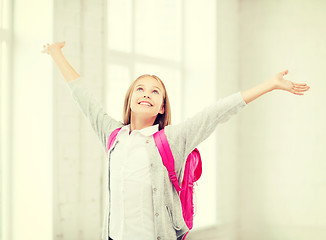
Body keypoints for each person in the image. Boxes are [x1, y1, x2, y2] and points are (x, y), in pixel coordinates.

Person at [42, 41, 310, 240]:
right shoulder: (113, 136)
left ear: (161, 107)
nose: (147, 93)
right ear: (130, 100)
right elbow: (84, 98)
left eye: (155, 91)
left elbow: (216, 112)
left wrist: (269, 84)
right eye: (140, 88)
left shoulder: (171, 139)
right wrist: (56, 54)